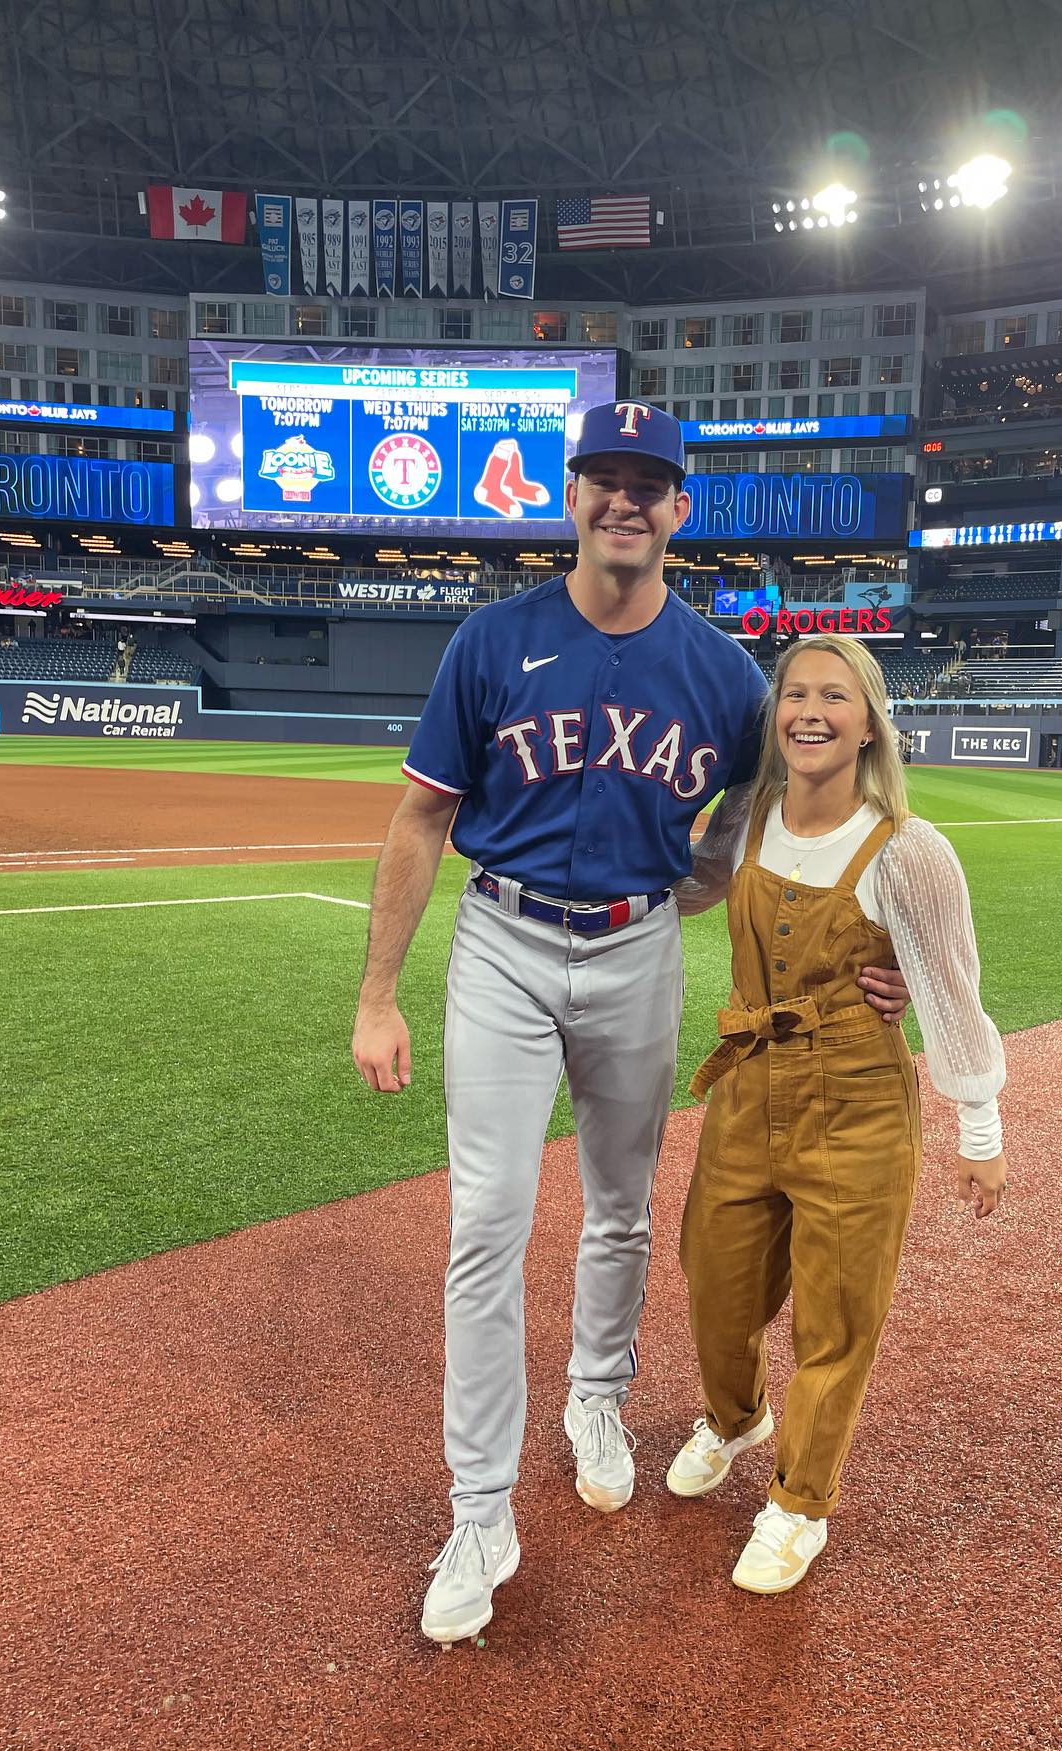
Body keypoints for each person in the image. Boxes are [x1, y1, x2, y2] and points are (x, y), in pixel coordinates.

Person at [349, 401, 913, 1644]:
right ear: (573, 495)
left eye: (647, 484)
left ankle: (595, 1399)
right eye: (604, 478)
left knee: (621, 1206)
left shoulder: (720, 671)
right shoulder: (494, 638)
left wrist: (898, 953)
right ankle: (480, 1508)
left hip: (635, 946)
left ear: (677, 510)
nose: (624, 501)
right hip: (500, 940)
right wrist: (379, 994)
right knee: (487, 1227)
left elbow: (794, 811)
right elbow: (418, 822)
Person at [665, 634, 1006, 1593]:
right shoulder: (749, 814)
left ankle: (799, 1504)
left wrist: (980, 1130)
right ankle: (738, 1421)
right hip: (746, 1089)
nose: (810, 711)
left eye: (835, 697)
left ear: (868, 725)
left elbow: (949, 991)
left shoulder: (911, 848)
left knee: (836, 1319)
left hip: (857, 1102)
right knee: (713, 1288)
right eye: (795, 694)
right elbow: (689, 892)